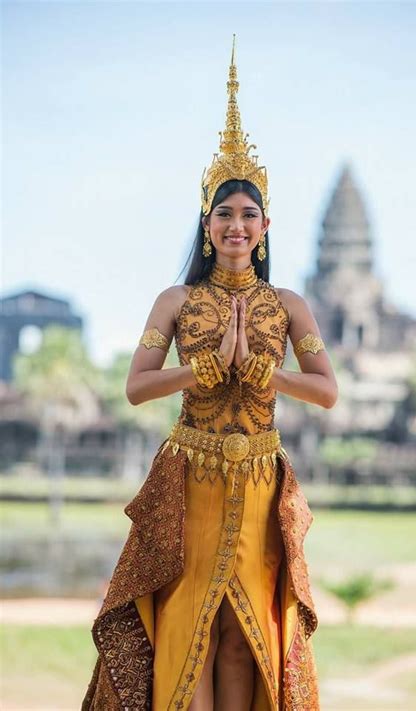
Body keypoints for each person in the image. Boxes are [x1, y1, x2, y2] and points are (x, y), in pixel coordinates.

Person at [82, 36, 338, 711]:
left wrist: (264, 372)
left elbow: (328, 390)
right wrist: (197, 371)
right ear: (207, 224)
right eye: (224, 212)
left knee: (239, 632)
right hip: (189, 476)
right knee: (187, 615)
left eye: (248, 213)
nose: (236, 224)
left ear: (265, 225)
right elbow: (138, 386)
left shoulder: (287, 306)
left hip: (258, 479)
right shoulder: (175, 301)